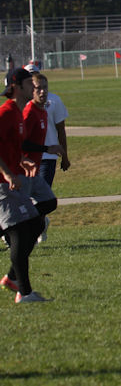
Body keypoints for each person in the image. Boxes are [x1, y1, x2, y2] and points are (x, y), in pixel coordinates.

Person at [0, 68, 49, 303]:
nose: (34, 86)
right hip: (3, 185)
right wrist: (8, 173)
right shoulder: (6, 112)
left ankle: (14, 281)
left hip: (11, 184)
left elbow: (8, 147)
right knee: (20, 231)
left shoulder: (18, 114)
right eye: (30, 83)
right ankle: (25, 292)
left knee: (36, 223)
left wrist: (21, 159)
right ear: (16, 87)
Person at [20, 72, 61, 243]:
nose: (43, 91)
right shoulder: (29, 112)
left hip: (34, 170)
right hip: (22, 170)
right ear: (31, 90)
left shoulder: (42, 111)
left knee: (49, 201)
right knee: (18, 211)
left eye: (45, 87)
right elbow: (21, 144)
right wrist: (46, 149)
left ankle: (36, 224)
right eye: (38, 88)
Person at [23, 62, 70, 190]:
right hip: (28, 158)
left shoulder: (54, 101)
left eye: (34, 75)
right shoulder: (23, 103)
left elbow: (61, 130)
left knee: (44, 194)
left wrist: (65, 156)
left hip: (48, 157)